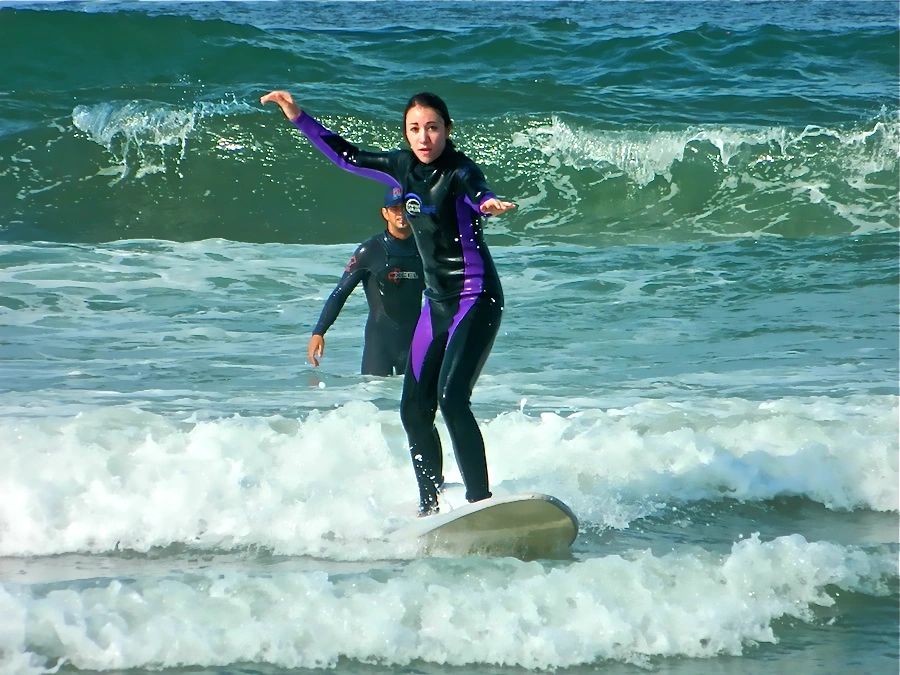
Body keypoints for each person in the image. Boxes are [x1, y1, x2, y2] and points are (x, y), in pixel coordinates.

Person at [261, 89, 516, 516]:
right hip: (436, 305)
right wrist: (297, 116)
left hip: (475, 296)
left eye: (433, 127)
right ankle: (429, 508)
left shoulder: (460, 171)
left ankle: (480, 502)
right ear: (406, 132)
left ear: (447, 130)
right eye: (415, 128)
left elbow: (477, 192)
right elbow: (348, 157)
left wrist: (488, 204)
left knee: (452, 397)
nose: (424, 137)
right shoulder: (401, 167)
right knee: (414, 409)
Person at [308, 187, 424, 377]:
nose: (400, 214)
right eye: (394, 208)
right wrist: (319, 331)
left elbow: (445, 294)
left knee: (419, 404)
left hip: (415, 343)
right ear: (385, 213)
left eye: (405, 208)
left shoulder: (425, 250)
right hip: (379, 345)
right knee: (375, 403)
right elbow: (340, 292)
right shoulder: (370, 251)